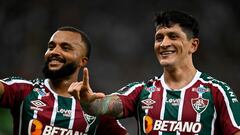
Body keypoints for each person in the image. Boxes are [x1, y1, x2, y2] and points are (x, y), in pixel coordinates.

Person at [68, 10, 240, 135]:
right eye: (159, 38)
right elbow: (101, 106)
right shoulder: (142, 91)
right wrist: (87, 102)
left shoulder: (217, 91)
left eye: (173, 36)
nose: (164, 44)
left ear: (193, 45)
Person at [0, 26, 128, 135]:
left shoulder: (93, 107)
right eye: (51, 47)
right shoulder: (25, 90)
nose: (54, 52)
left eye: (65, 48)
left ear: (82, 61)